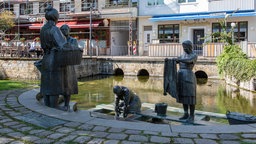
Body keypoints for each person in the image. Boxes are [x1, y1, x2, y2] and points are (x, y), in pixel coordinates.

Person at [37, 5, 67, 108]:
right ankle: (53, 109)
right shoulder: (55, 29)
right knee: (54, 86)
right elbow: (62, 45)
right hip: (54, 59)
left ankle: (47, 108)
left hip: (45, 58)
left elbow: (42, 45)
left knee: (46, 85)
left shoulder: (42, 29)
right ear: (55, 17)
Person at [175, 40, 198, 123]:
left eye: (186, 47)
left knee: (190, 97)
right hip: (181, 76)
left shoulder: (194, 55)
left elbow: (189, 61)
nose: (184, 49)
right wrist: (171, 60)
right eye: (183, 47)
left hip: (189, 76)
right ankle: (185, 114)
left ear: (190, 47)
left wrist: (179, 59)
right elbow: (177, 60)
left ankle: (192, 115)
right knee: (183, 96)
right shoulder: (182, 55)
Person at [60, 24, 79, 111]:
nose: (64, 31)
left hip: (69, 65)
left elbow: (76, 49)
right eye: (62, 29)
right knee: (61, 85)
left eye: (65, 29)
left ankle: (67, 104)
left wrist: (67, 46)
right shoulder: (59, 41)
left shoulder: (73, 40)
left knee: (68, 85)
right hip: (61, 65)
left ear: (69, 30)